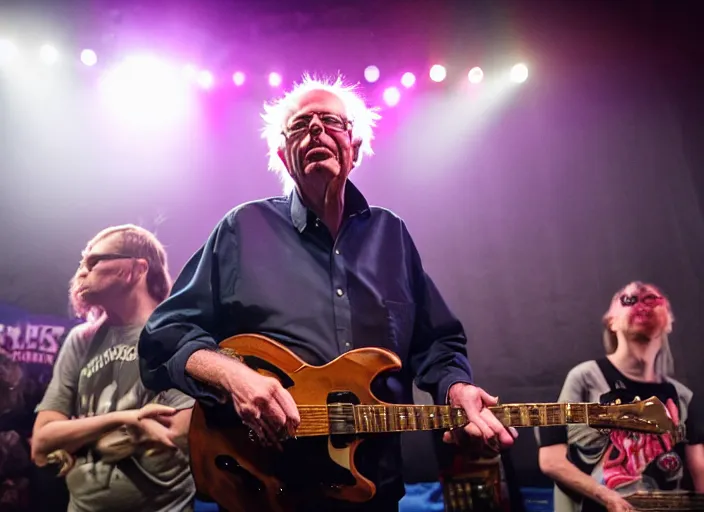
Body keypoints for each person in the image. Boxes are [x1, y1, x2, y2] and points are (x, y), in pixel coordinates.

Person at [137, 74, 516, 512]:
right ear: (283, 154)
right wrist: (234, 376)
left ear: (354, 147)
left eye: (331, 121)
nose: (315, 129)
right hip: (264, 488)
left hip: (373, 490)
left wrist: (456, 388)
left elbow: (437, 341)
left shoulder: (390, 234)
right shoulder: (243, 229)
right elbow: (163, 335)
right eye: (300, 125)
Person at [31, 225, 196, 512]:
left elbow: (176, 437)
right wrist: (127, 420)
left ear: (136, 269)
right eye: (83, 262)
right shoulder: (80, 340)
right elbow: (42, 443)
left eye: (95, 261)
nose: (82, 270)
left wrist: (75, 435)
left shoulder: (177, 337)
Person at [536, 281, 704, 512]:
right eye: (628, 299)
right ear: (611, 321)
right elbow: (551, 461)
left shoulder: (683, 397)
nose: (641, 303)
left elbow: (699, 472)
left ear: (670, 322)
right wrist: (607, 497)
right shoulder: (584, 378)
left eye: (651, 299)